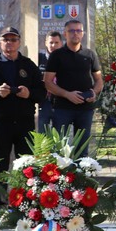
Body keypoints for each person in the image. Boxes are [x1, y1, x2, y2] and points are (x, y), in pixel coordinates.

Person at [0, 26, 45, 177]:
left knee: (26, 165)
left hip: (24, 122)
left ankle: (24, 199)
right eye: (5, 39)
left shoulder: (28, 65)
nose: (9, 43)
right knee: (0, 165)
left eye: (13, 40)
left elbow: (42, 92)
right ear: (0, 43)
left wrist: (29, 94)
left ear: (19, 43)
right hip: (1, 123)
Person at [44, 19, 103, 156]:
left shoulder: (90, 54)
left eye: (78, 31)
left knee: (82, 150)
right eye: (71, 31)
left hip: (85, 109)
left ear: (82, 34)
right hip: (62, 108)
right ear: (65, 34)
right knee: (59, 149)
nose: (75, 34)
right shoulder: (56, 55)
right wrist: (67, 94)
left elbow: (99, 80)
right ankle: (60, 178)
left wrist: (94, 92)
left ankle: (81, 176)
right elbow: (48, 82)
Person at [37, 30, 63, 132]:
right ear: (45, 43)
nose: (53, 45)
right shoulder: (38, 58)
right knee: (42, 136)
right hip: (44, 102)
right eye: (51, 42)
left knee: (60, 136)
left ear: (61, 43)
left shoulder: (66, 59)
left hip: (60, 102)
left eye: (56, 42)